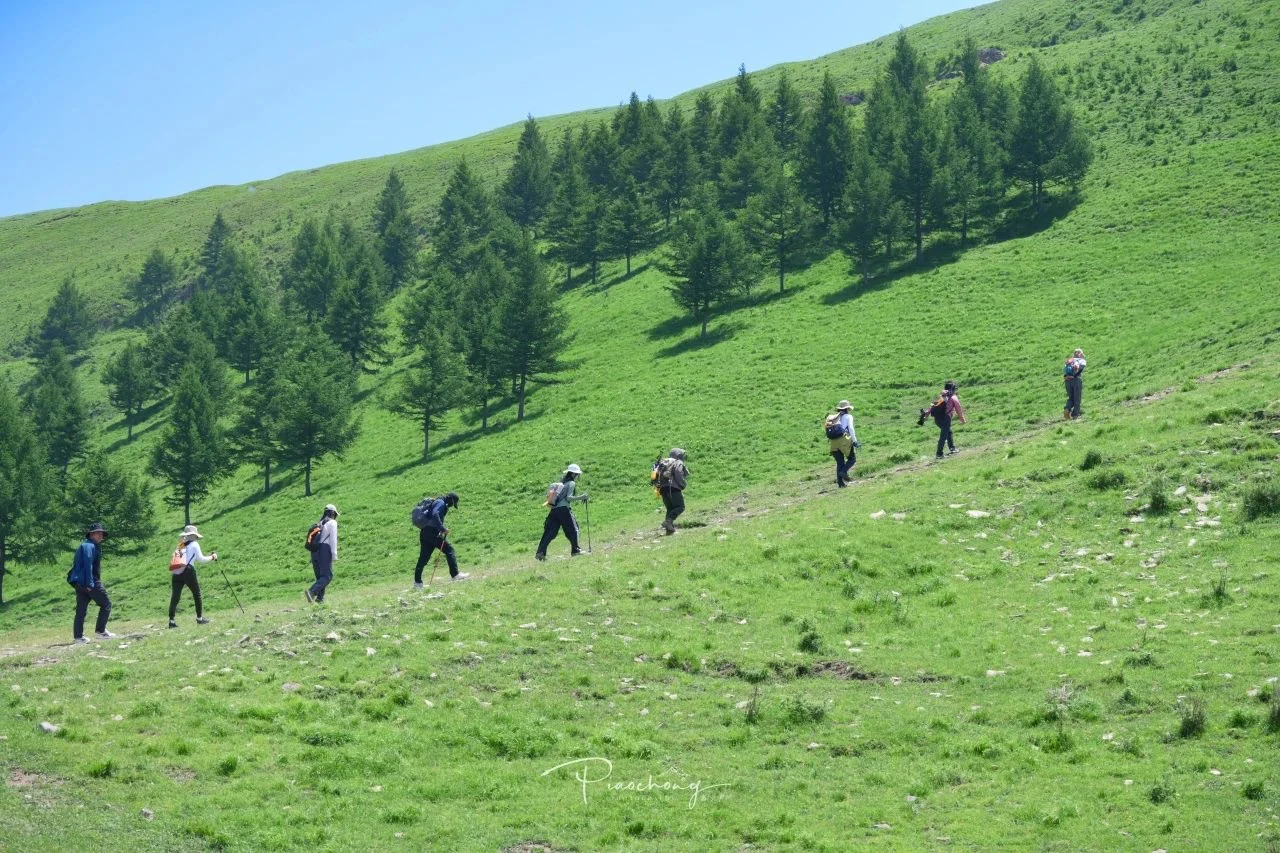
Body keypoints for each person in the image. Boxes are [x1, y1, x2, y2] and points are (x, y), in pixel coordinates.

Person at [69, 522, 113, 643]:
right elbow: (88, 565)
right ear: (91, 534)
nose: (101, 536)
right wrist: (89, 583)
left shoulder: (85, 545)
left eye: (102, 534)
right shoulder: (89, 546)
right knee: (106, 604)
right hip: (90, 581)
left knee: (81, 610)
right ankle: (101, 631)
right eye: (98, 533)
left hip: (79, 583)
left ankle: (78, 637)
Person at [535, 464, 588, 560]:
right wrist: (582, 497)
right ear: (574, 474)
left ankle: (540, 553)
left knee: (550, 531)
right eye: (577, 474)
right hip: (564, 509)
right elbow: (569, 498)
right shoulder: (571, 483)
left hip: (554, 510)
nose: (577, 476)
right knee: (573, 529)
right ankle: (575, 550)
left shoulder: (562, 482)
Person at [414, 492, 468, 586]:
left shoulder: (437, 501)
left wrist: (440, 528)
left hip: (425, 532)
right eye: (453, 503)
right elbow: (435, 514)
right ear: (451, 499)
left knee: (423, 558)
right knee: (449, 550)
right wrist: (442, 529)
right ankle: (455, 575)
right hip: (432, 532)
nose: (451, 506)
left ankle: (417, 583)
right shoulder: (441, 502)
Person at [169, 524, 216, 628]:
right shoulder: (194, 544)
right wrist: (212, 557)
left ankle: (171, 621)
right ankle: (199, 618)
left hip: (176, 572)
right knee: (196, 594)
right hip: (188, 571)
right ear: (193, 535)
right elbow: (201, 559)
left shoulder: (181, 545)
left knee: (175, 597)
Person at [305, 504, 339, 603]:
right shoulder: (332, 522)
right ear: (332, 513)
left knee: (320, 577)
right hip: (324, 549)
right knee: (327, 576)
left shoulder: (319, 523)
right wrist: (334, 554)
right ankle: (312, 592)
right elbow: (333, 539)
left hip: (314, 551)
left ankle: (320, 599)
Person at [928, 380, 966, 459]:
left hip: (937, 419)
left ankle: (952, 448)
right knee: (944, 436)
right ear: (953, 389)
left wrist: (926, 413)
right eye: (955, 389)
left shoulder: (942, 397)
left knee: (949, 432)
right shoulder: (953, 398)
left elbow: (933, 406)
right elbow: (958, 409)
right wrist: (962, 419)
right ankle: (939, 454)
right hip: (945, 419)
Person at [656, 448, 690, 533]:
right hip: (673, 488)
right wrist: (682, 484)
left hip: (662, 489)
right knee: (680, 506)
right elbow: (678, 473)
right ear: (678, 455)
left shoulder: (664, 462)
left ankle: (669, 529)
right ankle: (668, 522)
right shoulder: (677, 462)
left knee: (670, 508)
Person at [827, 401, 860, 487]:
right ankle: (843, 472)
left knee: (840, 462)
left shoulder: (834, 418)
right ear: (847, 409)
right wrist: (855, 441)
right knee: (852, 459)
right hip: (844, 440)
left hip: (833, 442)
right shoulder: (848, 416)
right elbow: (851, 429)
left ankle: (840, 483)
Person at [1063, 349, 1086, 420]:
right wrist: (1074, 376)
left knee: (1071, 398)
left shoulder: (1069, 360)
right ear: (1081, 354)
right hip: (1076, 380)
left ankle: (1067, 409)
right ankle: (1075, 415)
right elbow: (1080, 369)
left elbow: (1065, 371)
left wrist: (1066, 377)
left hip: (1067, 380)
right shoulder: (1082, 360)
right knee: (1077, 398)